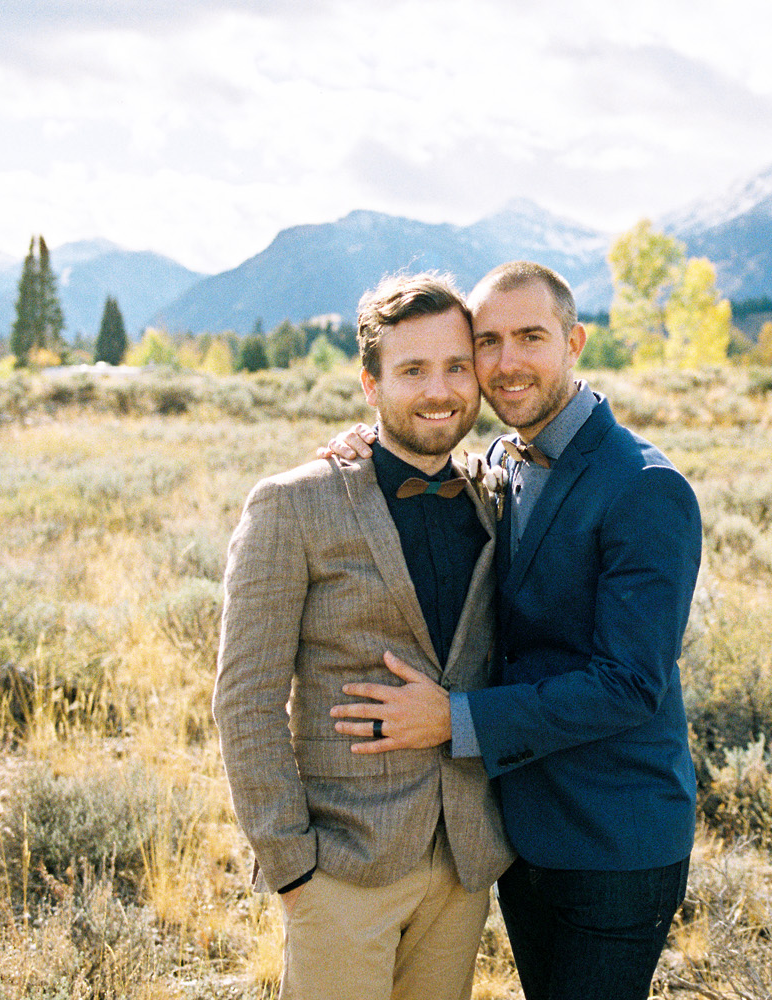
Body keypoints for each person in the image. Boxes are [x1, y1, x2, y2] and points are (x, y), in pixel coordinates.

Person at [327, 261, 704, 1000]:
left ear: (574, 342)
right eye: (488, 343)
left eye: (530, 336)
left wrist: (454, 719)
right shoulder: (501, 461)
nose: (506, 363)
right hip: (521, 835)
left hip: (613, 842)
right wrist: (366, 448)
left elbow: (629, 684)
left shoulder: (645, 488)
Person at [213, 272, 514, 1000]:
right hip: (342, 869)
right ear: (370, 384)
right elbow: (245, 700)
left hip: (462, 868)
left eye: (454, 367)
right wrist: (292, 869)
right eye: (412, 370)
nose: (438, 389)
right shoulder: (294, 505)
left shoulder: (494, 495)